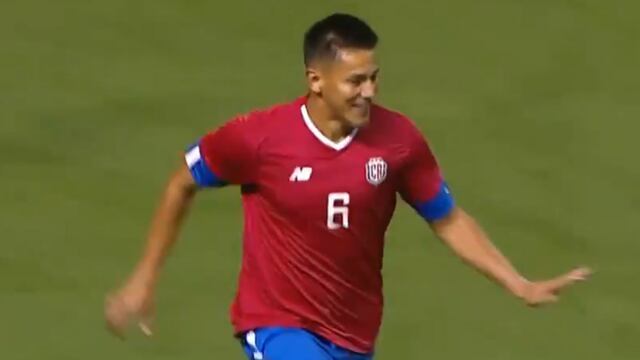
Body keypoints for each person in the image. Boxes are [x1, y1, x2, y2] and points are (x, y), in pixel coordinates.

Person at [105, 13, 591, 360]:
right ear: (316, 80)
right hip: (278, 325)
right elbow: (181, 183)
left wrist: (518, 283)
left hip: (355, 335)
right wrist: (145, 277)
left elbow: (447, 218)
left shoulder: (399, 141)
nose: (370, 91)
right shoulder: (260, 138)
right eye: (355, 81)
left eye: (374, 78)